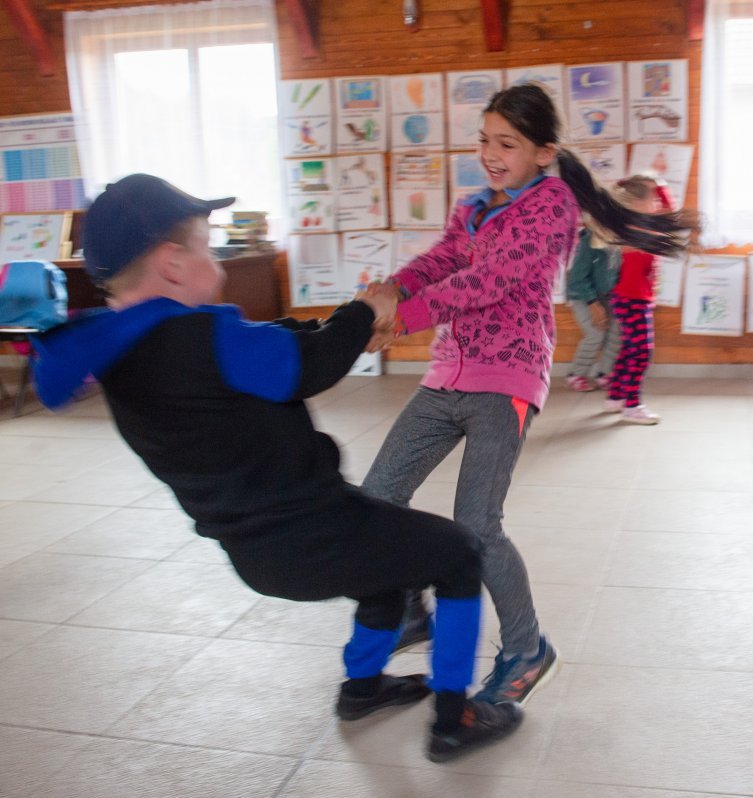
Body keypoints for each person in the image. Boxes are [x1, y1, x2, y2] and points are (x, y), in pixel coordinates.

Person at [30, 173, 520, 764]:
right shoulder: (203, 337)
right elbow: (307, 365)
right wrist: (364, 311)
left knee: (386, 571)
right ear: (173, 264)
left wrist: (343, 328)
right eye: (208, 247)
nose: (216, 262)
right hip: (315, 529)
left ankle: (363, 690)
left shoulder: (119, 353)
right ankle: (453, 719)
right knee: (458, 554)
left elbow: (265, 345)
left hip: (256, 549)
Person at [360, 84, 693, 706]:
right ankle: (407, 610)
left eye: (507, 144)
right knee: (378, 495)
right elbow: (443, 260)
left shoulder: (551, 207)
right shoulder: (475, 205)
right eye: (484, 139)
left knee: (476, 523)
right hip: (448, 374)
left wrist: (401, 317)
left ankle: (526, 649)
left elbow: (488, 280)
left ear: (543, 152)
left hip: (506, 378)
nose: (490, 153)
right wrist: (392, 289)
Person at [603, 174, 675, 425]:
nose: (657, 203)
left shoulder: (637, 226)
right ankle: (632, 405)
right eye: (653, 199)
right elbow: (670, 216)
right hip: (631, 300)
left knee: (630, 349)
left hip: (632, 298)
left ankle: (615, 397)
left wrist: (653, 185)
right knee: (642, 352)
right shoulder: (634, 230)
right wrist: (659, 185)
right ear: (636, 204)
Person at [563, 220, 621, 392]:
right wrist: (592, 304)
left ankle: (604, 373)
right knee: (596, 334)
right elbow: (577, 279)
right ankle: (576, 374)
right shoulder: (589, 240)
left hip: (607, 295)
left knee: (616, 333)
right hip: (582, 294)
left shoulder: (621, 239)